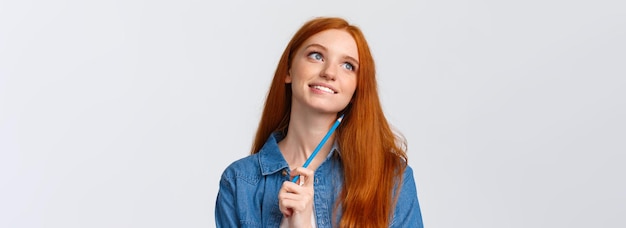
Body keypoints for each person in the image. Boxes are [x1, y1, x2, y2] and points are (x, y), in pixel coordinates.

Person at [215, 16, 423, 228]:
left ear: (356, 90)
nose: (329, 73)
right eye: (316, 56)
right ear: (288, 70)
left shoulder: (392, 177)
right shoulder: (240, 182)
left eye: (348, 66)